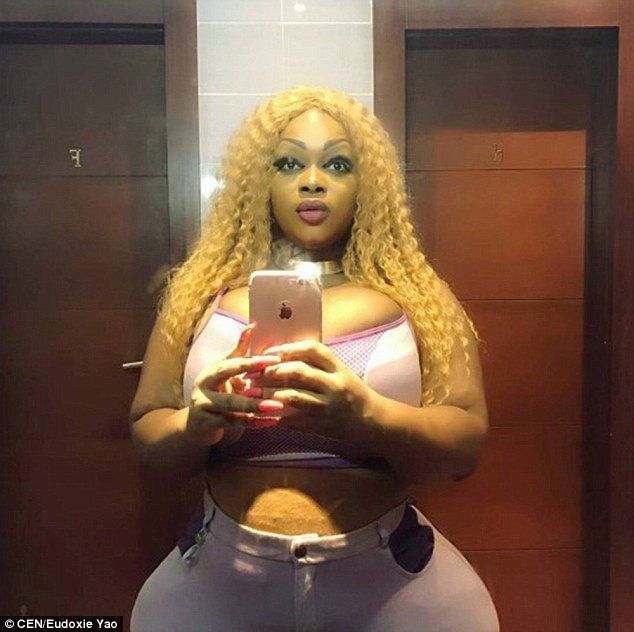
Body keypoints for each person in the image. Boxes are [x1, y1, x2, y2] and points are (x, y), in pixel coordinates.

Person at [128, 86, 500, 631]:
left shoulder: (420, 298)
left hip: (393, 592)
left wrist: (366, 416)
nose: (312, 181)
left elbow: (464, 447)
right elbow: (148, 432)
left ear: (367, 185)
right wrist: (198, 424)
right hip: (221, 588)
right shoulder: (197, 298)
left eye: (338, 164)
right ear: (259, 181)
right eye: (288, 163)